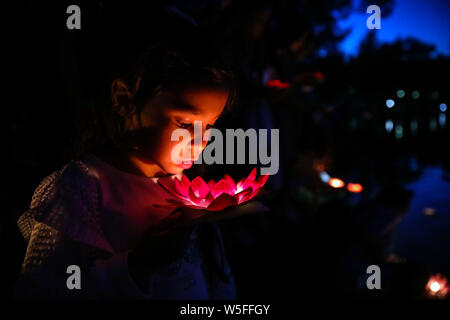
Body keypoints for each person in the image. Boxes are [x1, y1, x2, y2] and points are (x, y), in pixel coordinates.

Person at [14, 39, 238, 299]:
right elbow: (44, 289)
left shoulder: (185, 181)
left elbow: (204, 267)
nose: (201, 141)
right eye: (186, 123)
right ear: (123, 99)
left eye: (209, 126)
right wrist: (137, 266)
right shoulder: (80, 189)